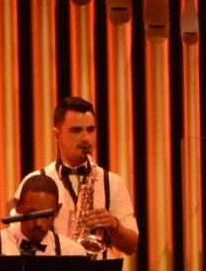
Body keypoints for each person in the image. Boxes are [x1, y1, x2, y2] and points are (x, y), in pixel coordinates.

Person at [21, 96, 140, 258]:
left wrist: (114, 225)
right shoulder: (34, 182)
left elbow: (131, 246)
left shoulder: (112, 182)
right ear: (57, 135)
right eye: (76, 130)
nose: (86, 138)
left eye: (91, 130)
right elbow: (19, 242)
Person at [0, 172, 65, 257]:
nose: (39, 223)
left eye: (46, 215)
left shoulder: (72, 251)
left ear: (57, 210)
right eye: (32, 213)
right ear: (18, 205)